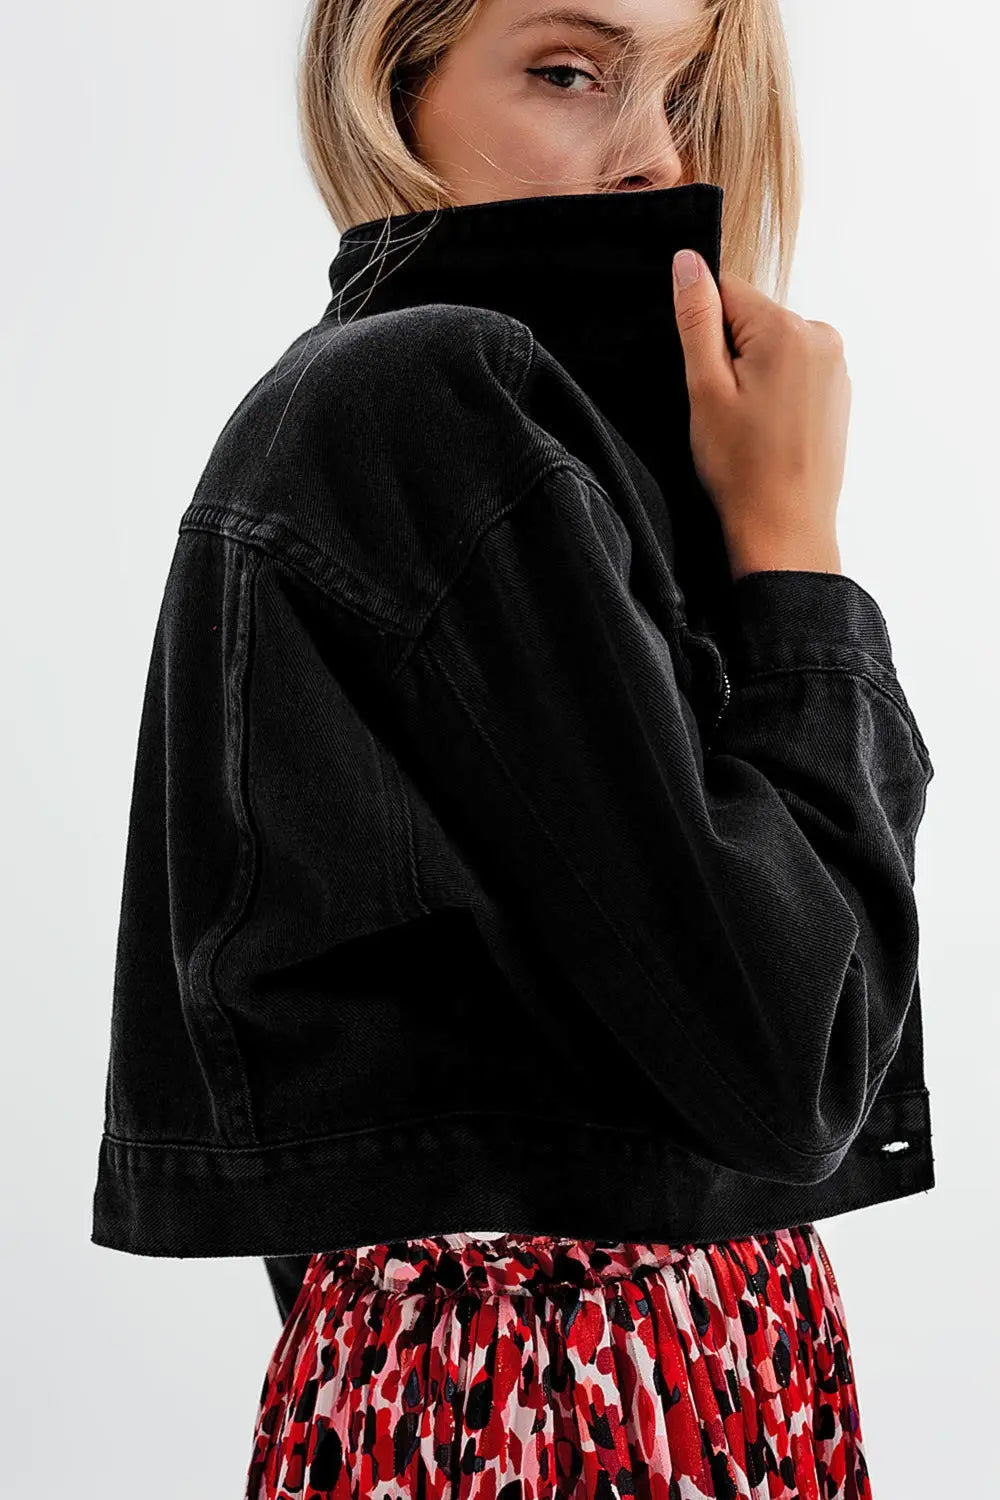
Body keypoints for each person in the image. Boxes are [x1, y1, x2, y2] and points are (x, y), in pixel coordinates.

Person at [90, 0, 936, 1496]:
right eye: (568, 73)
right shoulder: (431, 392)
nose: (654, 157)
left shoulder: (438, 416)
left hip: (576, 1367)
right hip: (571, 1380)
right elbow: (793, 1064)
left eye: (691, 94)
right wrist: (795, 552)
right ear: (390, 81)